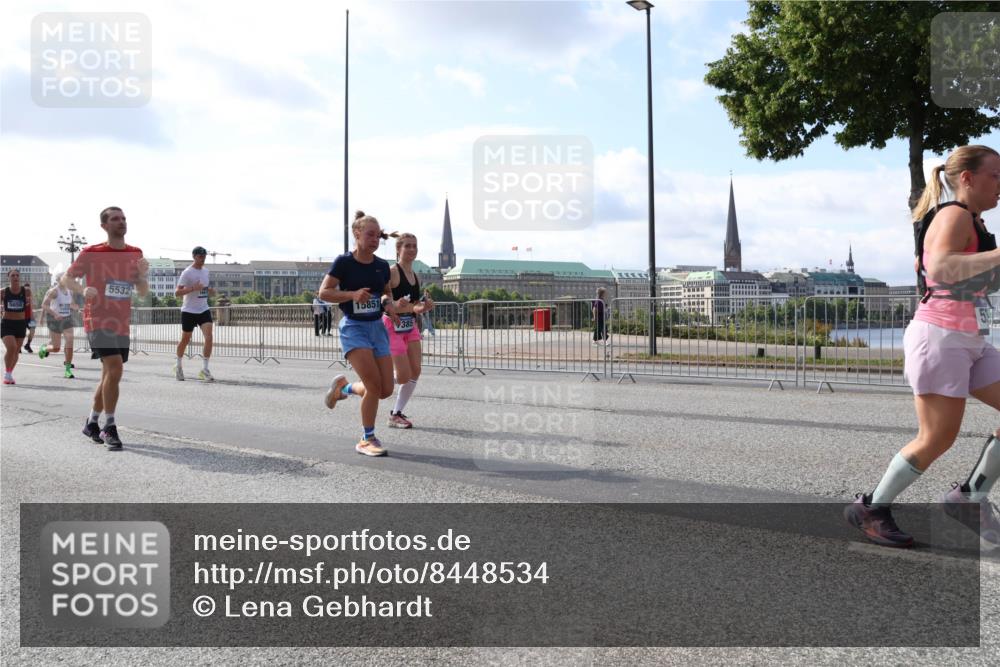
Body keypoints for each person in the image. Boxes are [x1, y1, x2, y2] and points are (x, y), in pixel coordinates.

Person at [845, 145, 1000, 548]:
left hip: (970, 338)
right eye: (995, 175)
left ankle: (970, 498)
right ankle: (872, 508)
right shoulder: (953, 215)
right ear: (967, 179)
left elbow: (976, 280)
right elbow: (942, 267)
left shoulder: (975, 223)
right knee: (936, 438)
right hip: (940, 338)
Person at [63, 206, 149, 450]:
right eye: (115, 219)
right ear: (104, 225)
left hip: (121, 322)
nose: (121, 222)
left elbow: (142, 292)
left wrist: (142, 275)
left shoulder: (135, 253)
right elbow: (66, 279)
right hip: (98, 320)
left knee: (108, 375)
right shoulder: (91, 252)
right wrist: (82, 289)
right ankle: (109, 426)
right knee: (116, 368)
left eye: (123, 218)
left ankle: (91, 422)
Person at [319, 211, 401, 456]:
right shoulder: (344, 262)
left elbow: (386, 292)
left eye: (378, 236)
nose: (375, 240)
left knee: (385, 390)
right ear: (357, 234)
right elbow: (324, 292)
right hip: (354, 328)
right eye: (370, 235)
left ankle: (343, 389)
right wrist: (352, 295)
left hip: (377, 327)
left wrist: (388, 304)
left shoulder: (381, 266)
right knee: (373, 386)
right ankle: (367, 438)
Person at [384, 234, 434, 428]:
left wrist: (424, 307)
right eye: (408, 246)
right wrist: (394, 304)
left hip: (409, 325)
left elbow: (414, 307)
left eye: (415, 246)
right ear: (399, 249)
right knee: (403, 375)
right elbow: (382, 300)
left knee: (416, 370)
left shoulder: (416, 276)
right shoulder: (392, 272)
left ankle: (396, 414)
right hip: (392, 324)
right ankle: (372, 382)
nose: (412, 249)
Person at [173, 246, 216, 381]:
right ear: (194, 256)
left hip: (203, 309)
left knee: (209, 337)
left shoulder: (206, 271)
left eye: (204, 256)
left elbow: (204, 289)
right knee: (185, 339)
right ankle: (178, 366)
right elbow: (177, 293)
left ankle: (205, 370)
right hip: (189, 310)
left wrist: (210, 291)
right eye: (200, 256)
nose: (203, 259)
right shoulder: (187, 272)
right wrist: (193, 288)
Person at [38, 274, 77, 378]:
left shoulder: (70, 291)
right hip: (54, 320)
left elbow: (71, 304)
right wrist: (55, 314)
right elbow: (44, 305)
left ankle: (67, 370)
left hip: (67, 319)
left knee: (70, 342)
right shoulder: (54, 291)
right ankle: (44, 349)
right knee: (56, 348)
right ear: (59, 280)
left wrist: (77, 309)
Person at [1, 269, 32, 385]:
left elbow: (30, 306)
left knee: (16, 351)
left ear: (20, 277)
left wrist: (31, 319)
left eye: (17, 275)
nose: (15, 277)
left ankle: (9, 373)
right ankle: (6, 374)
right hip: (7, 324)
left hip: (21, 324)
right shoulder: (3, 292)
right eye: (13, 275)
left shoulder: (26, 291)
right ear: (8, 278)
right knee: (12, 347)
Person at [22, 284, 36, 354]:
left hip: (30, 318)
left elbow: (32, 308)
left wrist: (33, 317)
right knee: (22, 333)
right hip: (21, 318)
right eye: (26, 290)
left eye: (29, 290)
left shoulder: (31, 298)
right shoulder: (20, 298)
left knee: (32, 330)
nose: (28, 291)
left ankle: (28, 344)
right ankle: (19, 347)